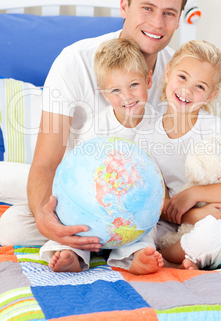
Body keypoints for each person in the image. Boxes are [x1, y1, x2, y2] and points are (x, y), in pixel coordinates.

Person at [0, 0, 221, 251]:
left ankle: (159, 232)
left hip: (157, 196)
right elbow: (46, 162)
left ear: (178, 21)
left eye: (169, 13)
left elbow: (195, 143)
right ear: (124, 6)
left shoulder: (179, 71)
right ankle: (176, 229)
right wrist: (43, 216)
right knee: (13, 227)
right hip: (90, 194)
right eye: (147, 8)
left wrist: (192, 201)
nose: (157, 23)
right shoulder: (74, 62)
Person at [108, 40, 221, 271]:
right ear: (169, 72)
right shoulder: (147, 127)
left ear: (210, 95)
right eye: (182, 77)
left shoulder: (217, 128)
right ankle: (148, 254)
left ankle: (170, 256)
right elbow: (156, 199)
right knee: (134, 220)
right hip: (173, 222)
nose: (187, 90)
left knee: (213, 237)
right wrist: (193, 215)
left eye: (200, 87)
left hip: (219, 221)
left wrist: (194, 195)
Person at [39, 37, 164, 273]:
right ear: (104, 94)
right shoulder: (96, 128)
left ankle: (134, 256)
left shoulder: (159, 125)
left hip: (134, 205)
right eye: (115, 90)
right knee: (72, 225)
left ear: (148, 80)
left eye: (134, 85)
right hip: (94, 200)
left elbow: (160, 174)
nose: (126, 96)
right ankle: (72, 255)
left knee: (149, 226)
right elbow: (81, 170)